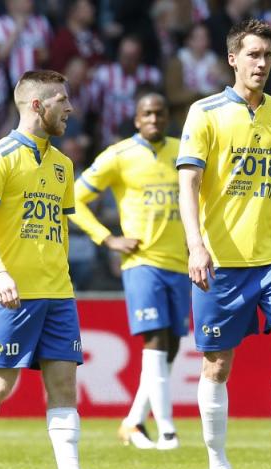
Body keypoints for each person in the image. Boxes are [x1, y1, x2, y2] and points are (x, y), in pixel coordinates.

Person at [0, 70, 116, 469]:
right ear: (37, 105)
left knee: (63, 386)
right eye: (63, 100)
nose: (71, 108)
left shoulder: (63, 164)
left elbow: (57, 225)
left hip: (59, 293)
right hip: (13, 292)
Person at [177, 19, 271, 469]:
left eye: (268, 55)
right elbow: (189, 185)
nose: (262, 63)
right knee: (217, 365)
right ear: (233, 59)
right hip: (222, 260)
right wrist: (196, 245)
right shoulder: (205, 112)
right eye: (253, 55)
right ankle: (219, 466)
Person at [69, 93, 187, 450]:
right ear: (136, 120)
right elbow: (73, 199)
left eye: (160, 112)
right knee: (155, 340)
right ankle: (167, 430)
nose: (153, 118)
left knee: (172, 348)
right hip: (141, 261)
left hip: (180, 263)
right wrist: (109, 239)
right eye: (147, 113)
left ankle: (134, 421)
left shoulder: (184, 150)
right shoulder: (119, 156)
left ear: (167, 117)